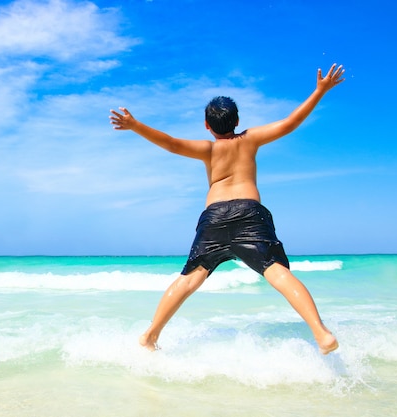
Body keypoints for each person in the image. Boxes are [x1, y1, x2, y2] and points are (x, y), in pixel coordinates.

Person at [109, 64, 345, 355]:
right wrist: (319, 91)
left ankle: (150, 335)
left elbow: (170, 144)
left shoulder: (208, 150)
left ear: (207, 125)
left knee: (191, 277)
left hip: (215, 216)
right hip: (250, 213)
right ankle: (321, 333)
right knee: (276, 271)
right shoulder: (251, 139)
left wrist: (135, 125)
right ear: (238, 121)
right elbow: (290, 123)